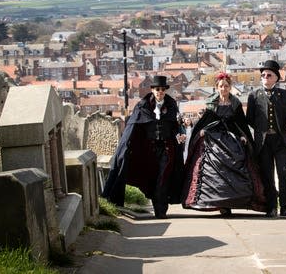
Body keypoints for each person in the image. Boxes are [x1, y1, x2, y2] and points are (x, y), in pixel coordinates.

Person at [101, 75, 186, 219]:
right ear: (152, 90)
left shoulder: (171, 105)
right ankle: (157, 206)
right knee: (152, 178)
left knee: (163, 178)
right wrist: (126, 146)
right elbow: (133, 126)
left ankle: (161, 210)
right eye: (157, 89)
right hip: (150, 150)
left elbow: (175, 126)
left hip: (167, 148)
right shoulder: (143, 105)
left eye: (162, 89)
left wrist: (180, 136)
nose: (160, 92)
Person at [182, 72, 266, 216]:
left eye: (226, 86)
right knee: (213, 171)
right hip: (213, 140)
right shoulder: (211, 103)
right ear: (217, 87)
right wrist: (202, 130)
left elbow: (240, 123)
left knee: (237, 165)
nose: (223, 89)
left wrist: (242, 135)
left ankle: (232, 202)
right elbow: (205, 121)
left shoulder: (235, 103)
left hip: (231, 140)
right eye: (221, 86)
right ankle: (220, 204)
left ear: (230, 87)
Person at [246, 60, 286, 218]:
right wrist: (260, 129)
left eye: (269, 75)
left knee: (284, 173)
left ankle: (284, 206)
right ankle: (271, 207)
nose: (265, 77)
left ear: (276, 77)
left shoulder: (284, 95)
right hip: (263, 143)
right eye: (263, 75)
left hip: (280, 140)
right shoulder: (253, 96)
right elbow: (249, 119)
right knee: (267, 176)